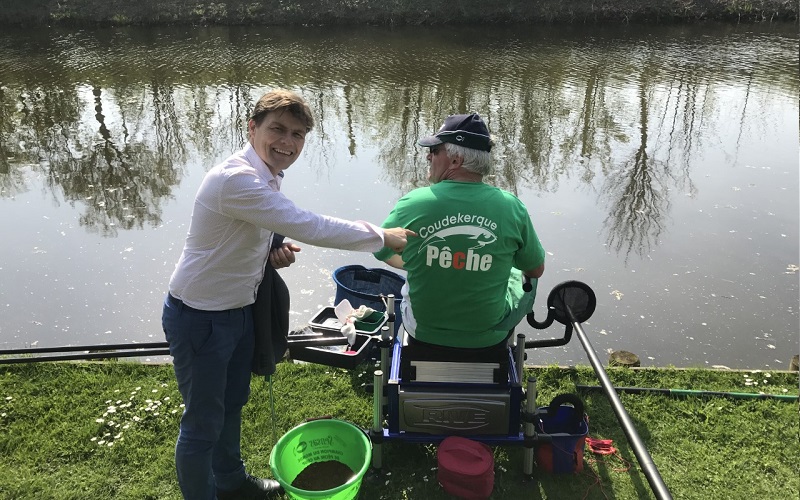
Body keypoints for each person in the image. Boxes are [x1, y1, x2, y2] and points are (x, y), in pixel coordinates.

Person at [162, 89, 414, 500]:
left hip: (237, 311)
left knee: (232, 404)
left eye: (297, 134)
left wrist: (267, 253)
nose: (287, 142)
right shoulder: (236, 180)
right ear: (252, 128)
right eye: (277, 129)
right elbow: (306, 224)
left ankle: (231, 482)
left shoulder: (266, 174)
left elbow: (250, 230)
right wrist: (382, 236)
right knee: (202, 423)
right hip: (200, 315)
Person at [374, 112, 545, 350]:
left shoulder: (413, 202)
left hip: (424, 331)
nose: (428, 156)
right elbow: (536, 269)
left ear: (455, 160)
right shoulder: (511, 206)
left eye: (435, 151)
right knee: (523, 274)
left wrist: (422, 261)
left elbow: (379, 249)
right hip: (487, 338)